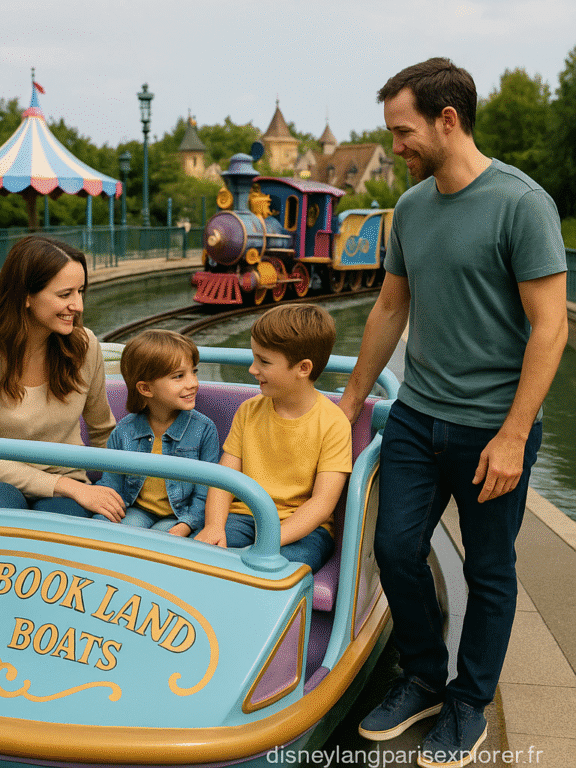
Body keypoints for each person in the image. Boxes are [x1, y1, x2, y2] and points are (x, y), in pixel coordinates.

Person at [337, 58, 568, 768]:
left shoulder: (522, 204)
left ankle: (469, 702)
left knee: (489, 570)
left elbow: (550, 327)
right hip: (416, 414)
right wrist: (350, 401)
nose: (395, 146)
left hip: (493, 426)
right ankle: (423, 679)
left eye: (402, 131)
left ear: (447, 120)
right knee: (394, 548)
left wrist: (514, 434)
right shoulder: (409, 208)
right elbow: (389, 307)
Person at [0, 234, 125, 521]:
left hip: (67, 487)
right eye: (65, 295)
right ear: (26, 296)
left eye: (81, 292)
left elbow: (103, 432)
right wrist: (66, 486)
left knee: (62, 520)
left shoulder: (84, 346)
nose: (78, 306)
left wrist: (118, 490)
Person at [196, 303, 351, 573]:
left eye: (264, 362)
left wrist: (267, 541)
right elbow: (225, 478)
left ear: (303, 368)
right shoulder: (249, 411)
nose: (252, 369)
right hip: (245, 516)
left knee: (279, 570)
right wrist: (214, 526)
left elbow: (322, 504)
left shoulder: (334, 423)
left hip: (301, 528)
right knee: (203, 559)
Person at [95, 330, 220, 535]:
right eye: (179, 376)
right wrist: (103, 517)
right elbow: (112, 484)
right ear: (145, 389)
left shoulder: (204, 430)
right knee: (107, 531)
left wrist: (187, 524)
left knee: (159, 541)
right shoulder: (124, 431)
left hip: (179, 515)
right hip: (136, 510)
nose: (193, 383)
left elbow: (206, 491)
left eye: (194, 372)